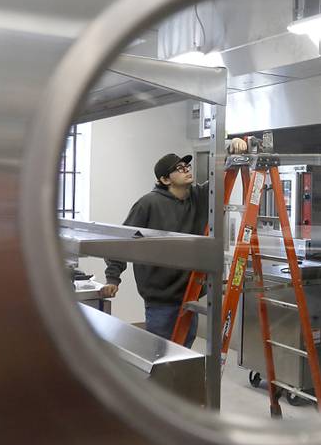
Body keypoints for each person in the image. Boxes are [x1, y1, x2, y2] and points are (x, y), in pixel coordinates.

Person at [103, 138, 248, 347]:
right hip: (160, 297)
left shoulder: (197, 197)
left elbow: (220, 177)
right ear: (165, 179)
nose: (186, 170)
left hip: (189, 293)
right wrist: (112, 279)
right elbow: (122, 240)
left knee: (183, 355)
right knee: (160, 357)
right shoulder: (148, 204)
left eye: (186, 166)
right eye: (179, 169)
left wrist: (231, 146)